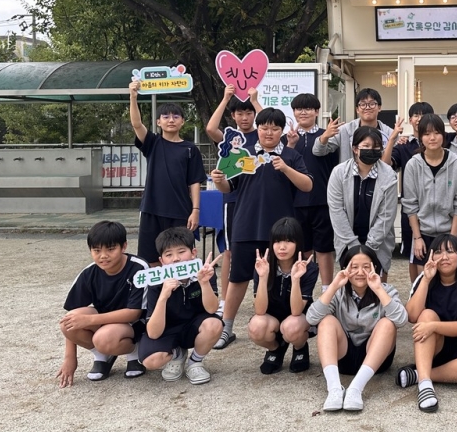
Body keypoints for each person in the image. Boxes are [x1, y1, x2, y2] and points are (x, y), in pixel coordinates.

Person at [209, 107, 313, 350]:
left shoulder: (290, 155)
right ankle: (227, 327)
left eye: (275, 128)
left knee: (283, 278)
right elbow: (229, 188)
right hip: (246, 225)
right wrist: (219, 180)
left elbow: (308, 185)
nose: (269, 132)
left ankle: (288, 327)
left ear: (282, 131)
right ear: (258, 129)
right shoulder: (244, 155)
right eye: (264, 128)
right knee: (238, 278)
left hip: (281, 233)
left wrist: (285, 168)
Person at [396, 235, 457, 412]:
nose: (444, 257)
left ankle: (418, 375)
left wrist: (433, 326)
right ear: (431, 256)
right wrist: (426, 279)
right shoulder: (424, 278)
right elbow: (412, 315)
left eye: (450, 251)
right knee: (427, 315)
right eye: (438, 252)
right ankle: (425, 386)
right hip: (435, 344)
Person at [307, 246, 408, 412]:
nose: (360, 272)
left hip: (375, 359)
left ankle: (356, 389)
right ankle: (334, 388)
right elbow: (311, 318)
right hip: (343, 358)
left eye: (366, 267)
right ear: (345, 268)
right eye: (354, 267)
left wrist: (378, 289)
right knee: (326, 321)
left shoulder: (387, 290)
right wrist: (333, 286)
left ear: (375, 268)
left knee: (388, 324)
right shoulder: (338, 292)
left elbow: (402, 320)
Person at [56, 221, 150, 386]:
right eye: (97, 250)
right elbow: (71, 316)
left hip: (135, 324)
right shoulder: (89, 273)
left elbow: (133, 312)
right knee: (67, 322)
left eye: (111, 249)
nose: (103, 256)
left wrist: (90, 320)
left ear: (124, 246)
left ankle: (134, 352)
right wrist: (70, 358)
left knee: (104, 338)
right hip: (105, 321)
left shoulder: (139, 268)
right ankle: (102, 356)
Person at [128, 80, 206, 265]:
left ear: (183, 121)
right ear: (158, 122)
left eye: (176, 116)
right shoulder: (153, 143)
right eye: (166, 116)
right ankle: (158, 286)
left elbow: (194, 182)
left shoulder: (190, 149)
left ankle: (179, 285)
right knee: (150, 260)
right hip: (152, 209)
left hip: (180, 211)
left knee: (181, 259)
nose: (171, 120)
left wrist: (195, 210)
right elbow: (137, 124)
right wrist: (133, 96)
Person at [137, 227, 223, 385]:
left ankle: (195, 362)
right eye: (169, 254)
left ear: (193, 253)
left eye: (181, 252)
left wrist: (204, 283)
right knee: (151, 360)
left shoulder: (204, 272)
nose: (176, 259)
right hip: (167, 329)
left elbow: (212, 309)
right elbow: (153, 333)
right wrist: (163, 295)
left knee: (214, 324)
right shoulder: (155, 280)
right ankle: (177, 354)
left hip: (194, 325)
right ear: (162, 260)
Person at [205, 84, 261, 312]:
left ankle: (261, 298)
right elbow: (211, 128)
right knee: (229, 250)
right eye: (240, 113)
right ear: (233, 115)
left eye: (249, 113)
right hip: (233, 199)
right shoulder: (230, 138)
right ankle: (225, 301)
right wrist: (226, 98)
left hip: (258, 201)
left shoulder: (263, 135)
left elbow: (271, 122)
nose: (244, 117)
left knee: (262, 250)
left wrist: (255, 100)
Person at [247, 217, 320, 374]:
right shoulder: (263, 266)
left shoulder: (309, 268)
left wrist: (295, 279)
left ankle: (300, 347)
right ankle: (276, 349)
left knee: (292, 327)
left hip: (297, 319)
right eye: (277, 241)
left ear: (298, 243)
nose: (282, 247)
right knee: (256, 327)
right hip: (271, 317)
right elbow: (259, 310)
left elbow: (296, 311)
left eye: (288, 241)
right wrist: (263, 277)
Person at [326, 127, 399, 280]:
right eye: (366, 146)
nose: (371, 150)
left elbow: (386, 216)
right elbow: (336, 211)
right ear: (355, 148)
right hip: (346, 242)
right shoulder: (339, 173)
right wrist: (353, 246)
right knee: (351, 284)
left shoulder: (389, 175)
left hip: (378, 244)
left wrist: (368, 249)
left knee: (377, 286)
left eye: (376, 147)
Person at [402, 113, 457, 278]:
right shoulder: (413, 165)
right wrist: (417, 238)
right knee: (424, 280)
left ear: (443, 135)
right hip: (423, 233)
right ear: (420, 137)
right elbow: (410, 205)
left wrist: (453, 236)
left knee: (451, 280)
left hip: (449, 231)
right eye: (426, 134)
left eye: (437, 133)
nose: (432, 138)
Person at [284, 92, 338, 289]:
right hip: (294, 201)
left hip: (322, 200)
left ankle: (326, 289)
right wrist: (290, 144)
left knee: (324, 247)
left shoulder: (329, 136)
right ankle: (304, 289)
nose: (303, 112)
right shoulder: (286, 139)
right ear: (293, 112)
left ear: (316, 111)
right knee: (301, 247)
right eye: (299, 108)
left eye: (308, 108)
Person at [388, 102, 435, 282]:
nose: (419, 119)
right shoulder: (404, 145)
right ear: (410, 119)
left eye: (424, 115)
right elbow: (386, 166)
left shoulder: (441, 141)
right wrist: (393, 139)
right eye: (416, 115)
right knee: (413, 254)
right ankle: (415, 290)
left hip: (436, 208)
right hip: (411, 209)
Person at [312, 87, 394, 163]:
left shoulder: (390, 133)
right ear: (357, 109)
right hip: (349, 174)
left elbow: (394, 161)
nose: (367, 107)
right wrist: (325, 136)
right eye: (363, 104)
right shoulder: (344, 130)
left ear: (379, 107)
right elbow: (318, 151)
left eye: (372, 104)